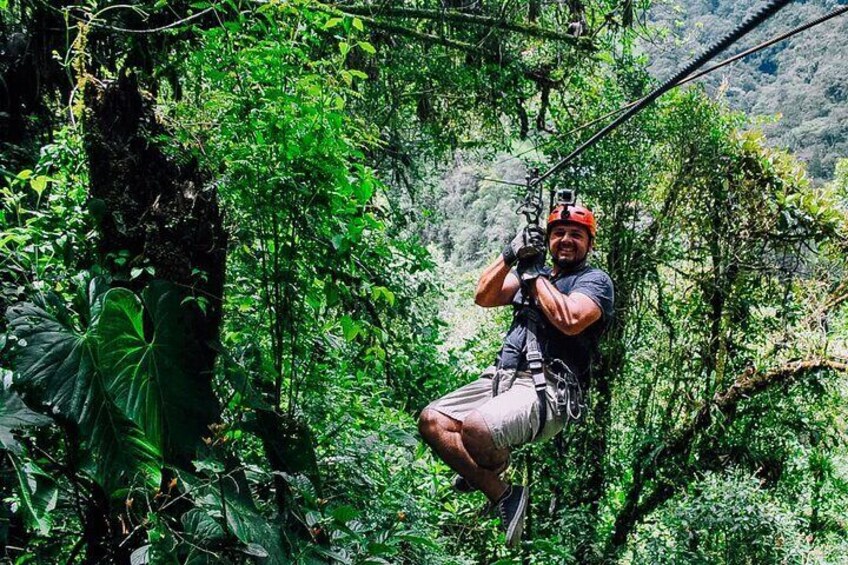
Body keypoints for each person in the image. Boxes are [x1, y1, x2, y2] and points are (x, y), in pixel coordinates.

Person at [418, 202, 614, 547]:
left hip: (549, 388)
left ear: (590, 243)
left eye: (576, 235)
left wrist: (534, 274)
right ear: (549, 240)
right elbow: (484, 296)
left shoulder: (595, 281)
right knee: (433, 421)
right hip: (504, 377)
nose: (566, 240)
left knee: (476, 428)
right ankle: (497, 486)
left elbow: (570, 319)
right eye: (559, 233)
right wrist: (511, 254)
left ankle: (487, 472)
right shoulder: (533, 276)